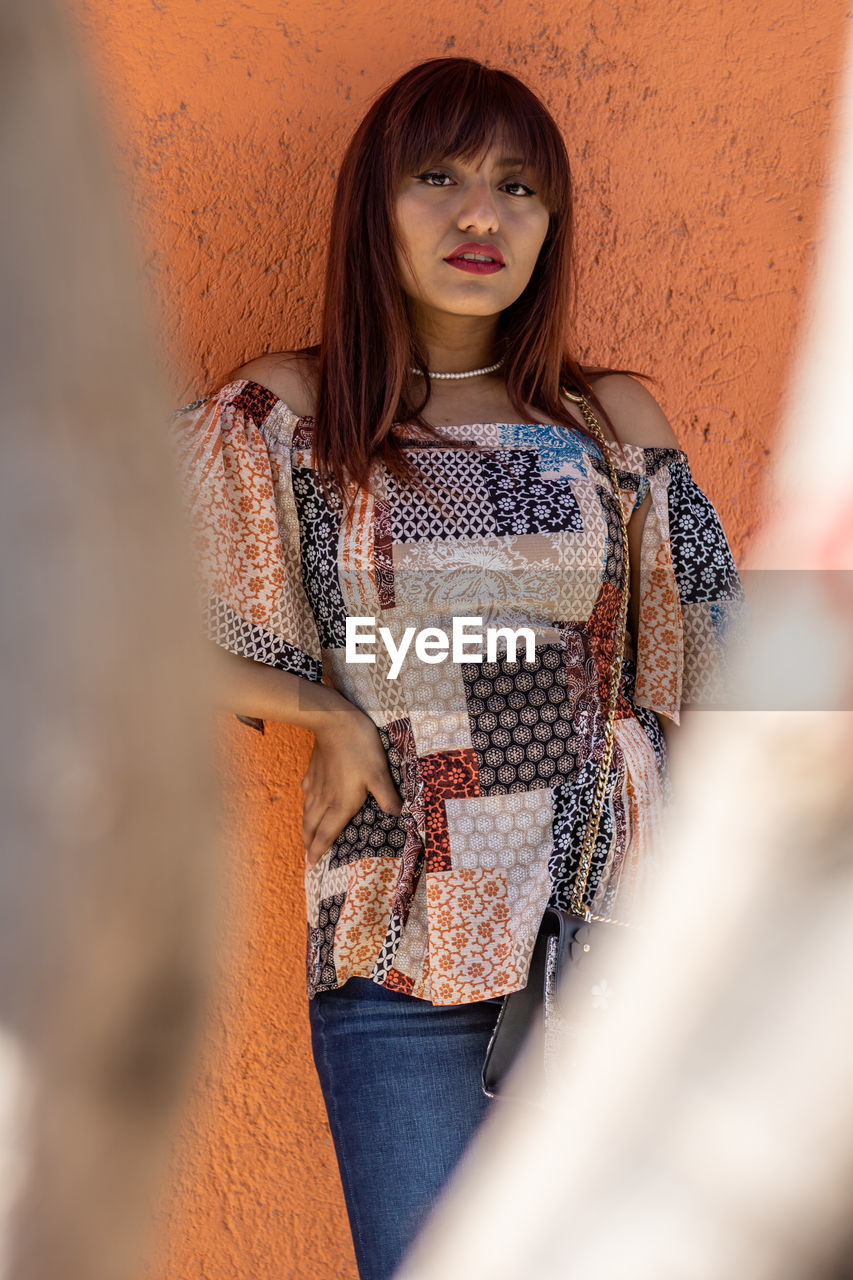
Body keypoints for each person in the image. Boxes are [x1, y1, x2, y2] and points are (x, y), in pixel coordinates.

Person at [171, 56, 744, 1280]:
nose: (481, 214)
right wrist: (322, 708)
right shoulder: (294, 415)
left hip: (615, 943)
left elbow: (724, 660)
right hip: (400, 949)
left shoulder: (616, 423)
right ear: (374, 205)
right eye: (438, 178)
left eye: (518, 186)